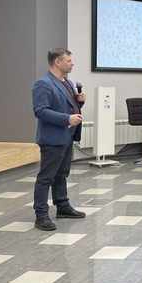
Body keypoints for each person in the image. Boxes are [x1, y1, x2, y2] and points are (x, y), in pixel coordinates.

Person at [31, 48, 87, 231]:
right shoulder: (43, 84)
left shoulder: (68, 83)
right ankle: (41, 215)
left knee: (61, 174)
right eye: (68, 61)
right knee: (46, 177)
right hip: (52, 138)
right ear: (57, 62)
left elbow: (68, 106)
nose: (72, 63)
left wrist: (79, 102)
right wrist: (67, 119)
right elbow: (40, 111)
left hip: (67, 136)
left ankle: (62, 206)